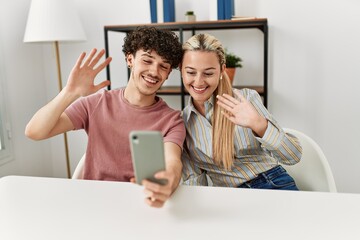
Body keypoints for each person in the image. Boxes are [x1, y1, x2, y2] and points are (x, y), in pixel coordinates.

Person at [25, 26, 185, 208]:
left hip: (141, 205)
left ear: (168, 74)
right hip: (93, 202)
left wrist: (167, 182)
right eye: (147, 60)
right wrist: (70, 92)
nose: (154, 72)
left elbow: (173, 162)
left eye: (163, 66)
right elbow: (34, 132)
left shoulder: (172, 120)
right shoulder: (97, 103)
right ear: (130, 59)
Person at [180, 33, 302, 190]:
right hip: (231, 198)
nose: (198, 81)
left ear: (222, 70)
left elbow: (293, 156)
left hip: (272, 184)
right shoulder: (183, 122)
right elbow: (194, 181)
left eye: (208, 73)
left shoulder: (246, 99)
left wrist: (259, 124)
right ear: (181, 70)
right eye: (190, 72)